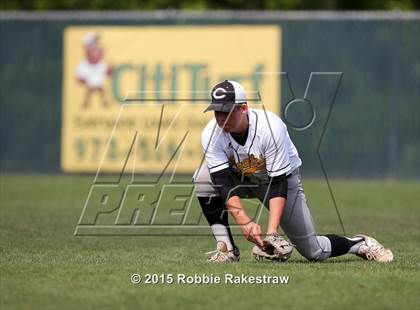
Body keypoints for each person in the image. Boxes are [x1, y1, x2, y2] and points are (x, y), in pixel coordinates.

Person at [193, 80, 393, 263]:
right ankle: (227, 250)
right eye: (216, 111)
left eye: (226, 111)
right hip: (242, 179)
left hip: (280, 183)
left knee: (314, 251)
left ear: (244, 108)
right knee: (203, 178)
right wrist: (245, 222)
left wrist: (271, 234)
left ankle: (359, 243)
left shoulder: (270, 127)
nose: (220, 118)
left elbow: (278, 183)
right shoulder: (211, 133)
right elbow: (223, 183)